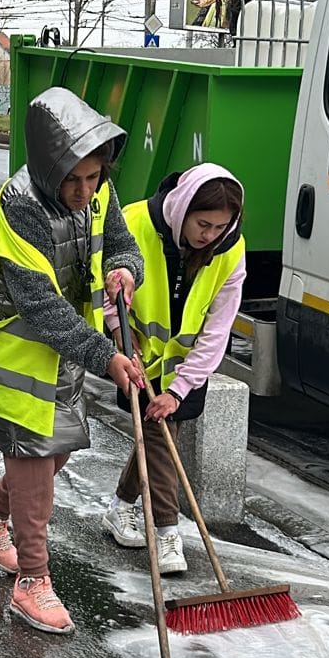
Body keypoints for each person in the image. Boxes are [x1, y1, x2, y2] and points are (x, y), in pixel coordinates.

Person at [0, 87, 145, 635]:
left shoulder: (98, 191)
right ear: (47, 168)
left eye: (93, 179)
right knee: (37, 461)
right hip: (9, 347)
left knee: (48, 455)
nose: (84, 193)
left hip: (59, 350)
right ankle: (32, 580)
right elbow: (39, 308)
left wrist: (124, 270)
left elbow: (120, 243)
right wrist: (106, 356)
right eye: (73, 181)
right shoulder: (18, 208)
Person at [99, 164, 245, 576]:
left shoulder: (230, 250)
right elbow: (107, 292)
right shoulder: (134, 222)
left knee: (158, 432)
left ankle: (121, 508)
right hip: (135, 352)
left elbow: (218, 328)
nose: (209, 235)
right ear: (184, 209)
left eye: (220, 226)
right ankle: (165, 529)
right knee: (160, 439)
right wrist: (121, 337)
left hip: (188, 363)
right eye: (203, 224)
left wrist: (178, 390)